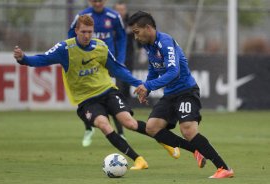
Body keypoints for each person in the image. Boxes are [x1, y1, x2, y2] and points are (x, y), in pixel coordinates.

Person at [13, 15, 148, 170]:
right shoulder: (65, 49)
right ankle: (138, 159)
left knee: (129, 122)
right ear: (76, 30)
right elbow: (42, 59)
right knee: (104, 125)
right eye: (83, 31)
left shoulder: (100, 46)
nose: (87, 35)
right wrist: (23, 58)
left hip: (107, 92)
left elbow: (118, 70)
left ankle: (163, 139)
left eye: (90, 32)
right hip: (87, 100)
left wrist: (139, 84)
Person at [128, 11, 234, 178]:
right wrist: (146, 89)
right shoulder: (149, 46)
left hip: (186, 91)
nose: (135, 37)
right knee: (151, 127)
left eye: (136, 32)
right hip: (170, 95)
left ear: (148, 28)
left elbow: (173, 72)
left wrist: (148, 85)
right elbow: (153, 69)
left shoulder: (165, 42)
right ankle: (195, 150)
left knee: (188, 130)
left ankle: (224, 168)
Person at [68, 0, 127, 146]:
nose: (98, 3)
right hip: (87, 62)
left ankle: (121, 134)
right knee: (85, 96)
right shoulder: (82, 16)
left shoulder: (113, 16)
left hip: (106, 62)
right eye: (95, 0)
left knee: (111, 96)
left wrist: (120, 59)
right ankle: (88, 129)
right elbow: (70, 37)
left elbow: (122, 37)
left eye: (100, 0)